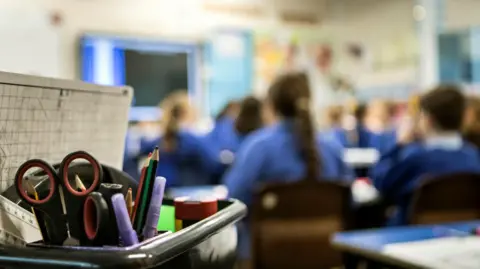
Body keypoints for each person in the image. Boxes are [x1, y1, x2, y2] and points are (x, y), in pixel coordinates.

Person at [223, 72, 353, 261]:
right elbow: (349, 200)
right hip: (326, 255)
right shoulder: (332, 148)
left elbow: (233, 200)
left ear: (272, 106)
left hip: (266, 258)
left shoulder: (258, 147)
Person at [371, 85, 480, 226]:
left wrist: (399, 144)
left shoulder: (416, 158)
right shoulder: (473, 156)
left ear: (428, 120)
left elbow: (381, 182)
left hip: (410, 236)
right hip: (464, 232)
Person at [139, 91, 222, 187]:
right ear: (189, 113)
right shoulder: (192, 140)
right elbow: (214, 163)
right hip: (189, 193)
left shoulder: (159, 140)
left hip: (163, 192)